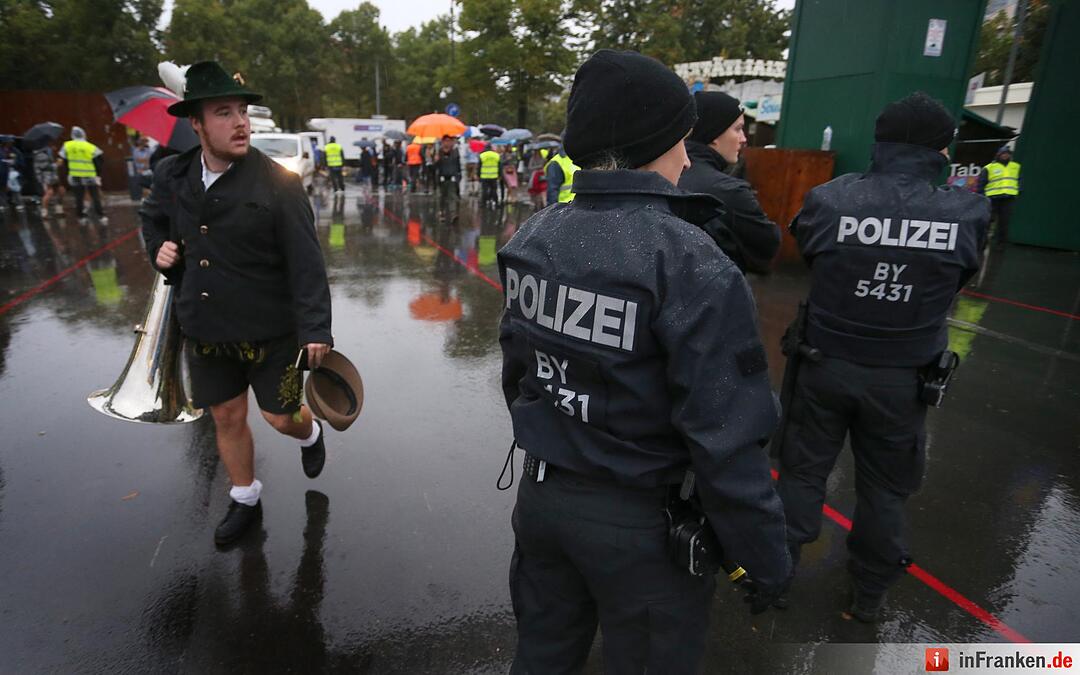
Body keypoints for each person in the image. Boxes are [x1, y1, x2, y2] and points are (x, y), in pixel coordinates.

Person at [498, 49, 790, 674]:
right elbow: (728, 437)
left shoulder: (533, 236)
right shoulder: (691, 260)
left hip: (544, 501)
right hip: (643, 529)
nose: (688, 158)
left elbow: (517, 374)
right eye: (681, 140)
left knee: (541, 657)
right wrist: (763, 560)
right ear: (652, 141)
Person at [776, 92, 988, 622]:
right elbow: (961, 275)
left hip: (824, 365)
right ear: (943, 150)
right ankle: (868, 595)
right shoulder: (967, 211)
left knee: (802, 475)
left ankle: (774, 577)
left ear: (880, 142)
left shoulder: (829, 199)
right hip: (902, 380)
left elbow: (809, 251)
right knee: (886, 491)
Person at [140, 61, 334, 546]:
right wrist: (158, 249)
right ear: (196, 124)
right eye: (224, 112)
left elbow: (306, 264)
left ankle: (309, 435)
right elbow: (153, 220)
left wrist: (316, 329)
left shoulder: (279, 184)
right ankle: (245, 497)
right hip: (204, 328)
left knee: (280, 417)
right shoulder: (172, 174)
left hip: (271, 331)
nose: (241, 122)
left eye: (243, 111)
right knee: (226, 417)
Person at [679, 91, 780, 274]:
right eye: (738, 129)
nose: (743, 138)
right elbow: (768, 245)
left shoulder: (663, 174)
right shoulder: (729, 192)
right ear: (715, 134)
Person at [60, 126, 106, 223]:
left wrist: (68, 171)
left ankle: (81, 216)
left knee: (78, 196)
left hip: (75, 174)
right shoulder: (90, 146)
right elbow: (99, 161)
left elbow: (64, 160)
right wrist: (98, 174)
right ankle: (101, 215)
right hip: (90, 174)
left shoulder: (67, 145)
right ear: (83, 134)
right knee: (95, 195)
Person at [978, 144, 1021, 246]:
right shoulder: (989, 167)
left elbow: (1019, 180)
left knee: (1004, 222)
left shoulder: (1015, 166)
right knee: (988, 221)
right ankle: (982, 242)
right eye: (1003, 154)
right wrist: (981, 196)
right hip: (992, 198)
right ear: (998, 154)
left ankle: (1001, 243)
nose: (1005, 156)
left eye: (1007, 154)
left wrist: (1019, 190)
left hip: (1008, 198)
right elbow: (981, 183)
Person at [33, 142, 64, 218]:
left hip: (53, 176)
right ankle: (44, 212)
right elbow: (45, 167)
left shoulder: (48, 152)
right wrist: (57, 164)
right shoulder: (41, 154)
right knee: (49, 193)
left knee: (60, 190)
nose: (53, 145)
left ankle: (59, 210)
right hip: (46, 177)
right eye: (51, 144)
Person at [434, 134, 461, 217]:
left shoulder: (455, 152)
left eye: (450, 141)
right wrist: (436, 160)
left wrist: (458, 176)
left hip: (452, 177)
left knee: (452, 196)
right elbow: (435, 167)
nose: (448, 143)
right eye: (446, 141)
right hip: (442, 177)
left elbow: (457, 165)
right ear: (442, 142)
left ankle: (453, 213)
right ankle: (442, 211)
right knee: (442, 196)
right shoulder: (439, 152)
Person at [479, 143, 501, 208]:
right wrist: (500, 175)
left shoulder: (482, 155)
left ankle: (484, 203)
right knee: (494, 190)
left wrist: (478, 175)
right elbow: (500, 166)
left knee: (484, 190)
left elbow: (479, 166)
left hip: (484, 176)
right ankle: (496, 203)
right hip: (494, 176)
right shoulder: (497, 155)